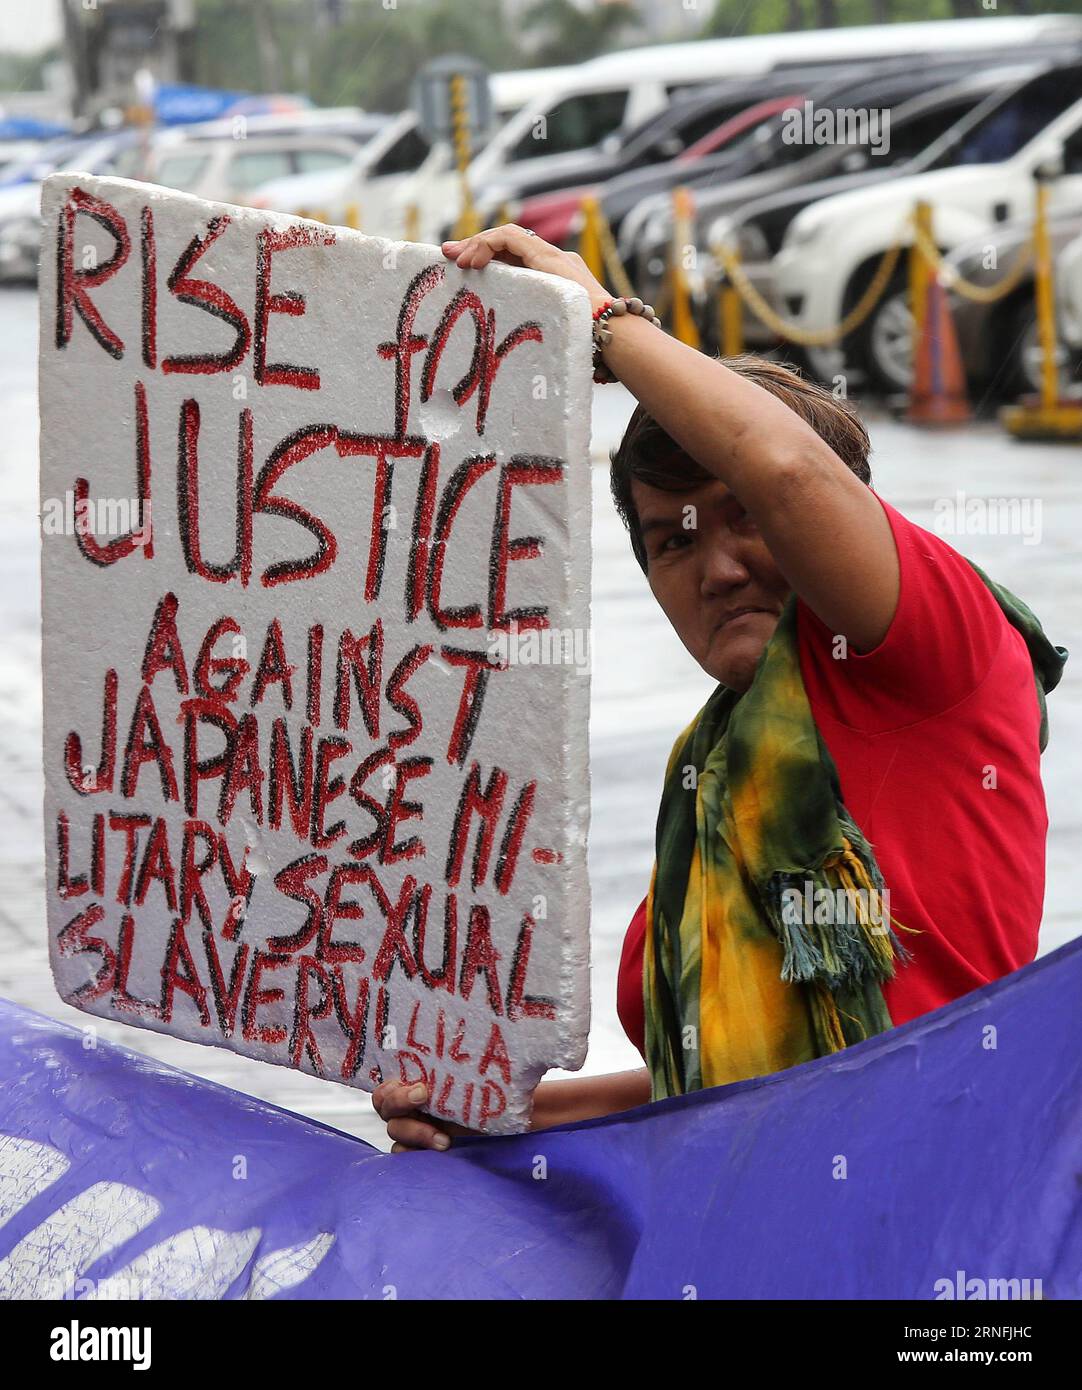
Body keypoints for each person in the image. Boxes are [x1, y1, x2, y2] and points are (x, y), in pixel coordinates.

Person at [375, 224, 1066, 1153]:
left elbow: (784, 466)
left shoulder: (937, 654)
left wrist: (608, 323)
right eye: (674, 540)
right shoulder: (703, 784)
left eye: (747, 520)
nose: (720, 568)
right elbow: (707, 1098)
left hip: (934, 1221)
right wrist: (495, 1119)